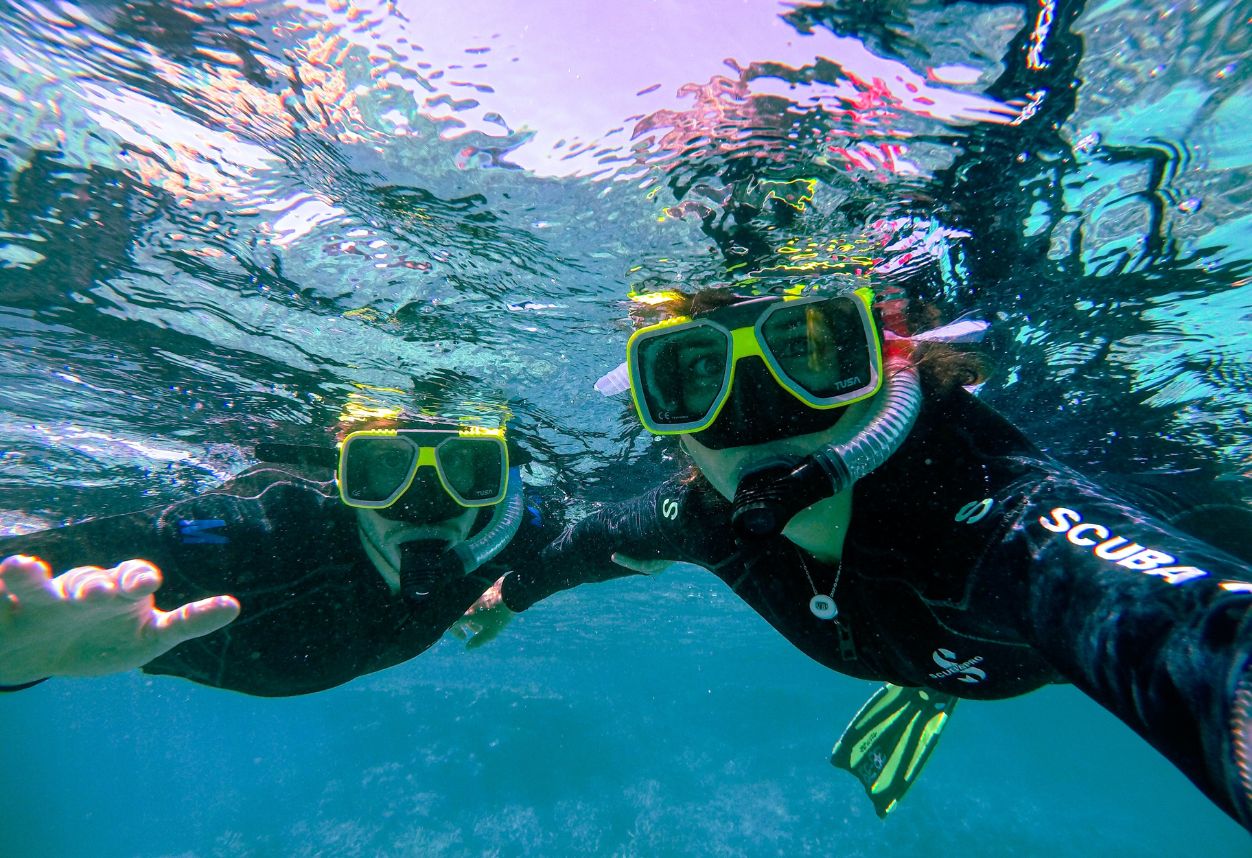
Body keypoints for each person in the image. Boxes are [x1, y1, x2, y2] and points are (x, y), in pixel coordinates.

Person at [474, 286, 1252, 827]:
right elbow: (593, 540)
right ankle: (933, 682)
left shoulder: (1001, 522)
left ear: (893, 371)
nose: (756, 415)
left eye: (811, 352)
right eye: (698, 374)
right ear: (668, 423)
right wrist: (508, 596)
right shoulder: (702, 517)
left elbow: (1187, 631)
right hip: (935, 652)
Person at [0, 412, 557, 697]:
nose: (428, 508)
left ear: (497, 478)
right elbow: (28, 585)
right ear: (342, 476)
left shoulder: (510, 528)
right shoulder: (257, 532)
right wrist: (20, 661)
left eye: (467, 470)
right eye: (384, 468)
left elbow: (601, 540)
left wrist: (516, 592)